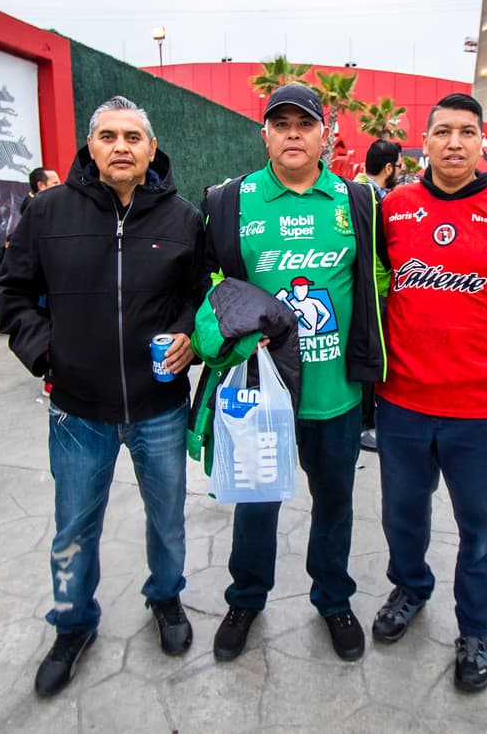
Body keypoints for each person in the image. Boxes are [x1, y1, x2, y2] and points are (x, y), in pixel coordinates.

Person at [0, 96, 207, 696]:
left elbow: (199, 294)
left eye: (132, 137)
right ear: (90, 146)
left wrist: (190, 332)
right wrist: (44, 352)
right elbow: (9, 289)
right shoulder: (46, 212)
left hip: (159, 407)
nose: (120, 147)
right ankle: (72, 622)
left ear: (150, 148)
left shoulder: (183, 219)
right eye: (108, 136)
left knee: (167, 521)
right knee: (73, 529)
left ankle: (166, 599)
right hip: (77, 411)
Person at [372, 93, 487, 692]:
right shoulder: (393, 209)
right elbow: (372, 296)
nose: (455, 142)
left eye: (467, 132)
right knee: (402, 514)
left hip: (479, 412)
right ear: (421, 142)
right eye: (443, 131)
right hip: (400, 404)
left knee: (480, 528)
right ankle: (410, 586)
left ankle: (477, 628)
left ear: (483, 143)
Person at [202, 83, 386, 664]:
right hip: (261, 393)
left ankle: (332, 598)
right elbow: (213, 285)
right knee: (256, 504)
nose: (292, 134)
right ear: (265, 134)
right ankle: (245, 599)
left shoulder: (357, 201)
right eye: (280, 124)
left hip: (336, 395)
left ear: (324, 133)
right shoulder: (231, 201)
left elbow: (380, 277)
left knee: (335, 502)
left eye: (303, 124)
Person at [354, 139, 401, 451]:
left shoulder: (359, 191)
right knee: (370, 358)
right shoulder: (367, 198)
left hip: (370, 290)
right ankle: (363, 426)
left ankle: (366, 421)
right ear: (388, 168)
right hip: (371, 292)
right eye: (398, 167)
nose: (398, 172)